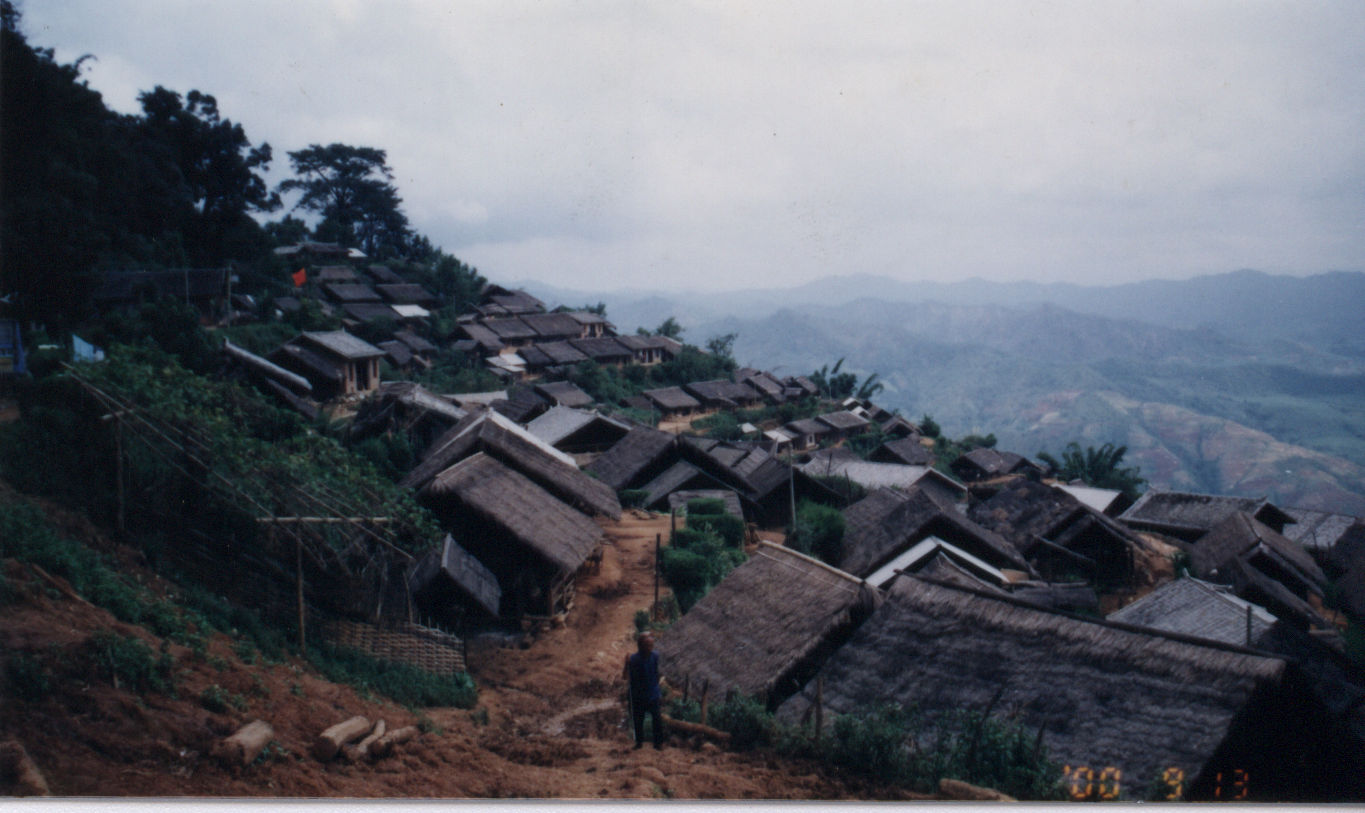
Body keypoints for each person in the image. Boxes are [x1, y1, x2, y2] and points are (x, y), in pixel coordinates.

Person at [622, 631, 664, 750]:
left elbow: (657, 673)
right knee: (638, 720)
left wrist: (656, 687)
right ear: (641, 646)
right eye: (648, 645)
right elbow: (625, 677)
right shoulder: (633, 659)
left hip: (652, 693)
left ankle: (658, 744)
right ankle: (639, 743)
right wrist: (626, 664)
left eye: (652, 645)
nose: (651, 648)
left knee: (657, 719)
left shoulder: (655, 656)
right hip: (638, 695)